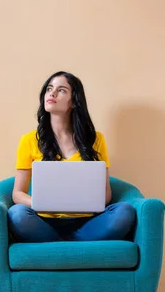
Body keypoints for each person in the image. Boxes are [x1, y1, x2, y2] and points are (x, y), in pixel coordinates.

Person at [8, 71, 136, 242]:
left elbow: (105, 193)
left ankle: (62, 243)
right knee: (17, 214)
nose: (52, 93)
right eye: (49, 89)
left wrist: (85, 203)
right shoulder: (29, 140)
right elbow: (18, 194)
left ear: (74, 101)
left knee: (124, 211)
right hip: (44, 222)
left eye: (61, 90)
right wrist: (41, 204)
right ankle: (62, 240)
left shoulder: (96, 140)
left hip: (87, 222)